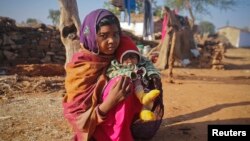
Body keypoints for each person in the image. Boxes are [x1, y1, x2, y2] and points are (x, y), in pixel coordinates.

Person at [63, 9, 163, 141]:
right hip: (95, 123)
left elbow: (143, 63)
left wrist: (152, 77)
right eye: (103, 36)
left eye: (116, 34)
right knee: (122, 81)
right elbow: (77, 118)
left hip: (126, 118)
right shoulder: (81, 67)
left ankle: (130, 128)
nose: (112, 40)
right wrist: (109, 103)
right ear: (91, 36)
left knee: (141, 76)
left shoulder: (122, 52)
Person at [106, 35, 161, 121]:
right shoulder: (116, 65)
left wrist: (153, 75)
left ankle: (145, 112)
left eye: (133, 57)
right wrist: (128, 73)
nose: (130, 61)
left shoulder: (142, 62)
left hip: (143, 88)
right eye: (126, 58)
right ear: (120, 58)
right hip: (126, 93)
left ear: (137, 57)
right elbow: (111, 73)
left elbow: (150, 67)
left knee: (149, 98)